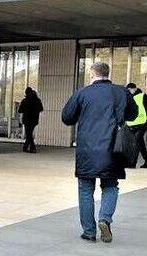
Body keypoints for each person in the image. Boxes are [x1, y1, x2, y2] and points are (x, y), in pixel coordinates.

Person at [62, 62, 137, 243]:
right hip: (113, 149)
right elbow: (133, 114)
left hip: (87, 149)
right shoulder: (121, 92)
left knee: (86, 189)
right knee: (111, 185)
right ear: (107, 74)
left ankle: (89, 231)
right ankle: (104, 218)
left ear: (92, 74)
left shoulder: (82, 93)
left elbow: (67, 117)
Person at [125, 83, 147, 168]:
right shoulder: (130, 98)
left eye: (130, 89)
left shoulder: (143, 96)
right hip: (134, 123)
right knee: (140, 142)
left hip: (143, 123)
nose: (129, 91)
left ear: (135, 88)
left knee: (136, 141)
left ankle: (132, 163)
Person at [18, 87, 44, 153]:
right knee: (29, 133)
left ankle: (30, 147)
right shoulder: (37, 100)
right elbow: (41, 109)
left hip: (26, 119)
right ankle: (28, 147)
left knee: (28, 133)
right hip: (34, 120)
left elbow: (20, 110)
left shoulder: (25, 100)